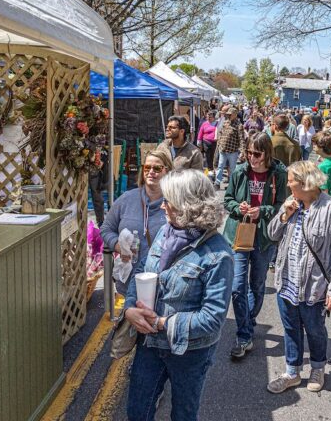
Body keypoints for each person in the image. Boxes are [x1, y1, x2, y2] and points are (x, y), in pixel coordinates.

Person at [124, 169, 233, 421]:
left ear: (188, 207)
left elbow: (213, 318)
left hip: (189, 352)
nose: (162, 206)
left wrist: (162, 323)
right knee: (137, 412)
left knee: (183, 414)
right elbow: (142, 270)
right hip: (150, 344)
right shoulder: (166, 231)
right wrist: (130, 308)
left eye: (168, 201)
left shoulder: (219, 255)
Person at [266, 161, 331, 394]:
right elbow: (271, 234)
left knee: (314, 329)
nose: (288, 185)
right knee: (290, 328)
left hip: (315, 286)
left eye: (291, 181)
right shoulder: (292, 204)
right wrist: (284, 214)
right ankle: (292, 372)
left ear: (305, 183)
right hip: (287, 282)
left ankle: (317, 367)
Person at [223, 133, 288, 359]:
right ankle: (244, 334)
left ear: (267, 153)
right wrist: (236, 207)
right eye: (249, 153)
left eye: (257, 154)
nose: (252, 158)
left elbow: (283, 205)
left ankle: (247, 323)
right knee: (236, 286)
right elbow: (227, 199)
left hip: (263, 238)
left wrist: (264, 211)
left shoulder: (279, 174)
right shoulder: (240, 171)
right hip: (240, 233)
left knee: (257, 285)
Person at [101, 150, 171, 295]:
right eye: (147, 167)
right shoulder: (127, 199)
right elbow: (106, 228)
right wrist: (117, 245)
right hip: (128, 280)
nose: (151, 172)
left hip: (163, 282)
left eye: (157, 168)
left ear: (167, 171)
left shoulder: (174, 203)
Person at [214, 107, 245, 190]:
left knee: (232, 168)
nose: (229, 116)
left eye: (230, 114)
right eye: (228, 114)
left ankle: (231, 185)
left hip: (233, 151)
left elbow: (241, 139)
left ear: (235, 115)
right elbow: (221, 133)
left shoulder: (239, 125)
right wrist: (219, 143)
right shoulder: (225, 122)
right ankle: (217, 182)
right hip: (223, 149)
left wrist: (242, 151)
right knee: (220, 166)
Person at [311, 132, 331, 205]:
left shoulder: (322, 167)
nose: (313, 146)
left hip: (328, 207)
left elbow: (323, 193)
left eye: (315, 144)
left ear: (322, 146)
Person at [88, 146, 109, 226]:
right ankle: (100, 221)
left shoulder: (103, 149)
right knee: (97, 194)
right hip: (87, 168)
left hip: (98, 172)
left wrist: (101, 161)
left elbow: (106, 156)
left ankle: (101, 221)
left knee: (97, 195)